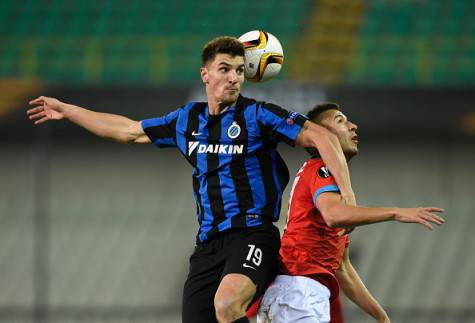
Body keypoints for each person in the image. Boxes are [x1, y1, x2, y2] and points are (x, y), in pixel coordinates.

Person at [26, 37, 356, 323]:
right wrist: (67, 110)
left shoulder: (259, 115)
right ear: (205, 74)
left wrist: (347, 195)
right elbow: (126, 130)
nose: (234, 78)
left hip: (253, 234)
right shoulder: (187, 120)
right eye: (225, 69)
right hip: (209, 244)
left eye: (240, 71)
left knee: (227, 304)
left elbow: (322, 138)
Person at [257, 103, 445, 323]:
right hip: (299, 294)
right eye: (341, 121)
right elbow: (333, 215)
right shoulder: (320, 168)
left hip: (297, 295)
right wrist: (395, 212)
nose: (353, 126)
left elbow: (342, 267)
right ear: (323, 135)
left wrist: (381, 316)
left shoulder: (325, 178)